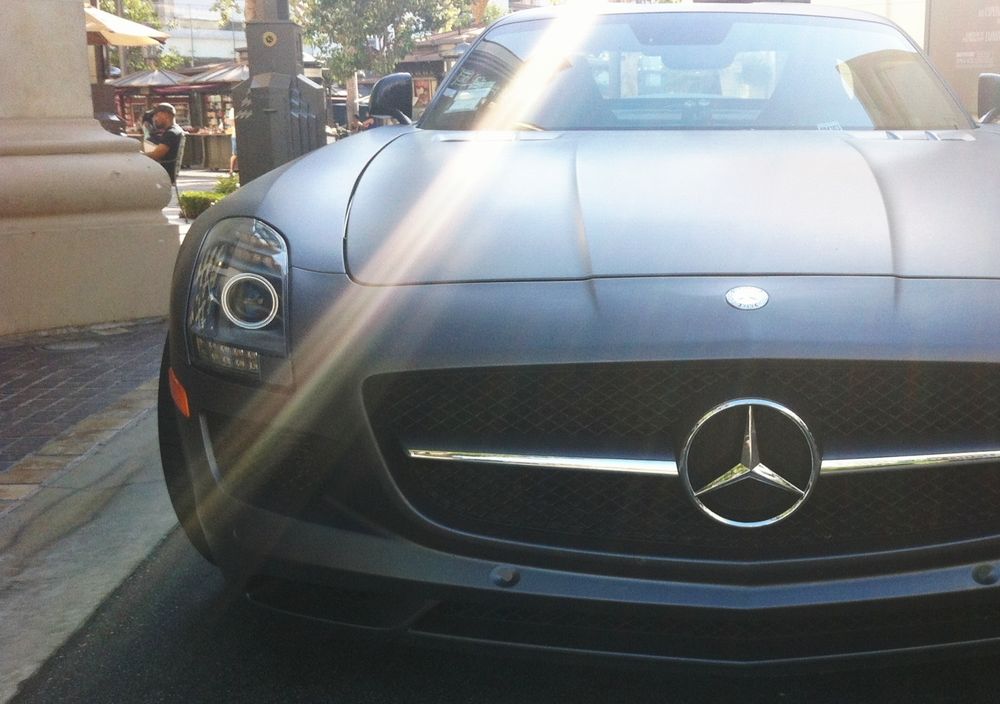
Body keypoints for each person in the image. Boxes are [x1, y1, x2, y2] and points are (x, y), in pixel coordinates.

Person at [144, 103, 184, 179]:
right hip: (165, 170)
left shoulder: (171, 133)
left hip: (163, 172)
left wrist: (138, 155)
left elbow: (156, 155)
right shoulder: (177, 129)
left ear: (165, 115)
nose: (154, 119)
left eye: (157, 115)